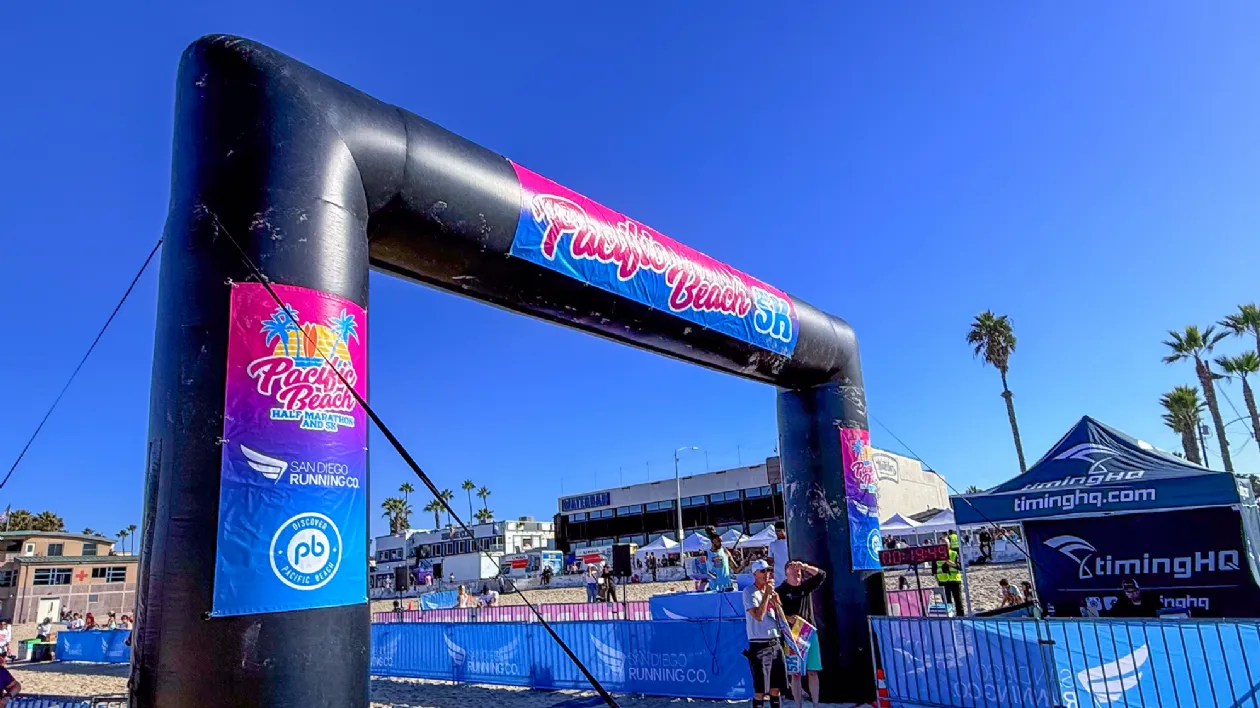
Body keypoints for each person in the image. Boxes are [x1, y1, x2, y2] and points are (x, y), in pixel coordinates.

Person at [777, 561, 827, 708]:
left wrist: (805, 566)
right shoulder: (780, 591)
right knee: (796, 673)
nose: (796, 572)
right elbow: (776, 615)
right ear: (786, 573)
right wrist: (787, 618)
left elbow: (821, 575)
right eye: (792, 570)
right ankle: (798, 704)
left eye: (798, 570)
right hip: (792, 636)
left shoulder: (805, 587)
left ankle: (815, 704)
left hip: (808, 633)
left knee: (813, 671)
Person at [743, 559, 787, 708]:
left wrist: (776, 600)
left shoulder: (770, 592)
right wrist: (766, 596)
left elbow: (779, 617)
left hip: (775, 641)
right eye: (762, 571)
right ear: (754, 573)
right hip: (759, 644)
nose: (766, 574)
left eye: (768, 571)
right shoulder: (749, 592)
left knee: (776, 687)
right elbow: (758, 616)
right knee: (760, 689)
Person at [933, 534, 964, 616]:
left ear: (949, 544)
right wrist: (938, 581)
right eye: (942, 544)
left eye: (945, 544)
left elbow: (961, 567)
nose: (944, 546)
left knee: (958, 601)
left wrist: (952, 564)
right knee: (946, 602)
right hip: (943, 582)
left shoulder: (954, 553)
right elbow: (934, 571)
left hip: (955, 580)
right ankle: (949, 617)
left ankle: (961, 617)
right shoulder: (936, 556)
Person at [705, 527, 735, 592]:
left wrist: (744, 564)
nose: (721, 543)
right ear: (713, 541)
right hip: (713, 588)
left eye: (721, 541)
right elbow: (703, 572)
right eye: (719, 541)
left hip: (727, 587)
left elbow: (736, 569)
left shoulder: (725, 551)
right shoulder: (706, 554)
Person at [769, 522, 789, 586]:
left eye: (779, 531)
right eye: (776, 531)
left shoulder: (790, 542)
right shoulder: (772, 544)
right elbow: (770, 560)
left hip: (790, 576)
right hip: (778, 578)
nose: (777, 533)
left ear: (784, 530)